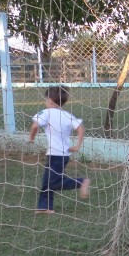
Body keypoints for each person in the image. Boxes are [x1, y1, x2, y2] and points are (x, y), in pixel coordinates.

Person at [28, 85, 90, 214]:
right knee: (47, 181)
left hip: (55, 154)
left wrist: (31, 138)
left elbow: (35, 126)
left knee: (54, 182)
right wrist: (77, 146)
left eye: (45, 99)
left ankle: (81, 182)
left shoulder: (46, 113)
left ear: (50, 100)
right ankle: (45, 207)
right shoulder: (67, 115)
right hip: (64, 154)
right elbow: (81, 129)